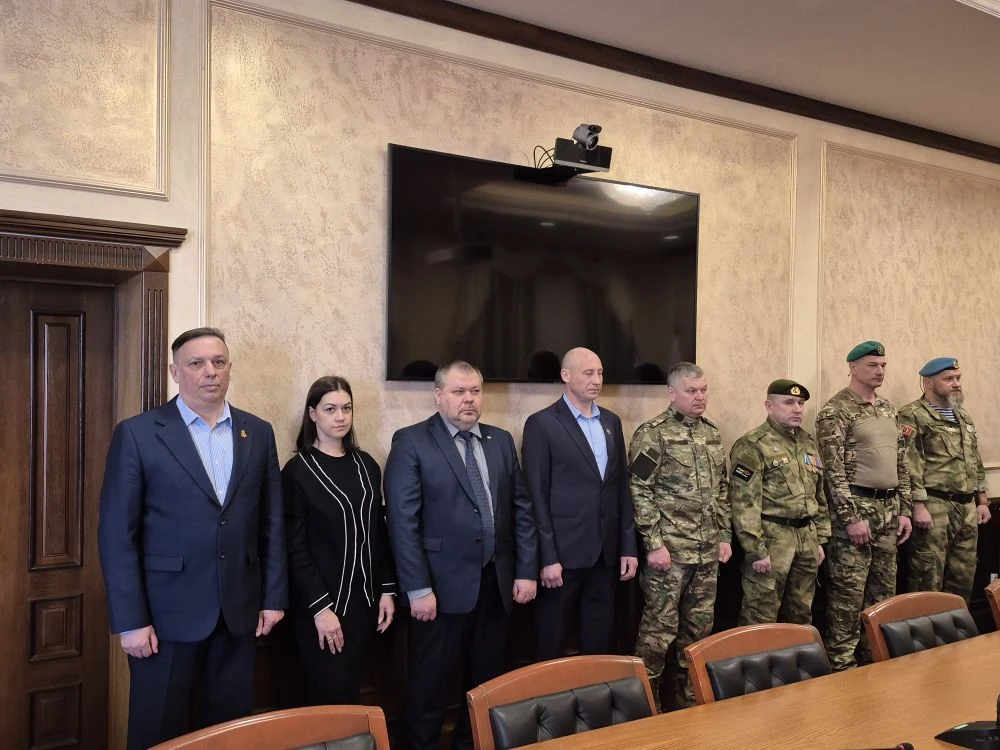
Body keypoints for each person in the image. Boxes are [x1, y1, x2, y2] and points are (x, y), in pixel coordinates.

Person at [97, 327, 287, 750]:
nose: (209, 372)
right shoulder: (138, 434)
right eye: (196, 363)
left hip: (238, 613)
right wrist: (130, 620)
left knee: (230, 734)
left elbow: (272, 521)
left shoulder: (258, 432)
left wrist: (274, 597)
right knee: (157, 731)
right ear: (175, 371)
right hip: (163, 618)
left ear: (230, 368)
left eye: (218, 362)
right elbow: (117, 535)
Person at [384, 361, 537, 750]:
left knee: (486, 685)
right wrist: (417, 588)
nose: (469, 399)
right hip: (438, 589)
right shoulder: (412, 441)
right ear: (438, 396)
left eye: (475, 391)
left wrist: (525, 570)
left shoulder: (500, 441)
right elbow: (402, 522)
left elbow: (521, 510)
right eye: (458, 392)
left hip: (495, 585)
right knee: (430, 686)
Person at [282, 376, 397, 705]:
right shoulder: (297, 471)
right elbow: (296, 549)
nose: (340, 417)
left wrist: (387, 589)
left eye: (346, 408)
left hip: (366, 606)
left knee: (352, 694)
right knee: (326, 697)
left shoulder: (367, 465)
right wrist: (321, 609)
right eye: (330, 409)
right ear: (313, 414)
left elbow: (378, 533)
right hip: (321, 608)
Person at [521, 347, 639, 662]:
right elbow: (536, 495)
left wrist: (628, 547)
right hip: (562, 556)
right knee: (552, 640)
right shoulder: (542, 423)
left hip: (605, 553)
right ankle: (549, 695)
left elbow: (620, 488)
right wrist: (547, 557)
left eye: (600, 373)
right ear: (566, 375)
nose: (596, 380)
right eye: (588, 373)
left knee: (599, 640)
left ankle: (594, 693)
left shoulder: (611, 421)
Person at [628, 361, 731, 710]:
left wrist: (724, 536)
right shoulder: (652, 433)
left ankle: (689, 704)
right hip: (669, 556)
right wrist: (654, 544)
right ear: (672, 394)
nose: (700, 397)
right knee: (658, 634)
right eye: (691, 391)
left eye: (703, 390)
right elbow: (639, 490)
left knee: (698, 634)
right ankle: (647, 707)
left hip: (706, 554)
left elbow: (722, 491)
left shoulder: (712, 434)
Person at [816, 340, 912, 671]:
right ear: (853, 368)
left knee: (883, 597)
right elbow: (832, 471)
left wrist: (905, 510)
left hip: (888, 511)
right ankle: (842, 668)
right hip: (856, 512)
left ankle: (877, 664)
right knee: (847, 597)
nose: (880, 371)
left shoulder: (888, 408)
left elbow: (901, 462)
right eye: (872, 365)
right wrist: (850, 517)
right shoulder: (836, 410)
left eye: (883, 365)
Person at [729, 380, 830, 626]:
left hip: (806, 539)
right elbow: (744, 504)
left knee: (801, 615)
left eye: (800, 403)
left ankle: (796, 654)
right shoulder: (753, 444)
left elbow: (818, 494)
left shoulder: (807, 442)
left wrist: (820, 539)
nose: (797, 408)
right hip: (772, 541)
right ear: (769, 406)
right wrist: (756, 550)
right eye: (789, 402)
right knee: (760, 616)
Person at [899, 358, 991, 599]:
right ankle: (925, 626)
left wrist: (982, 500)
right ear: (928, 383)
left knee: (963, 576)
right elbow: (909, 464)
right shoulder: (912, 415)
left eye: (958, 378)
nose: (956, 383)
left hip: (966, 507)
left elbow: (974, 459)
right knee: (928, 578)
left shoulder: (963, 416)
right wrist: (918, 506)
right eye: (949, 379)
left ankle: (957, 625)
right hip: (934, 506)